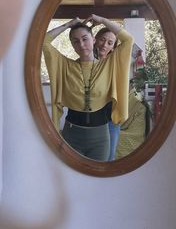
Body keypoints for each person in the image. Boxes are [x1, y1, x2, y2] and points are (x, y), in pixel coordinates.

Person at [43, 14, 134, 161]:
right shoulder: (65, 65)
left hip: (100, 137)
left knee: (99, 180)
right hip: (71, 135)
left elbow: (128, 40)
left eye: (85, 39)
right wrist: (69, 24)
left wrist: (103, 20)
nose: (81, 44)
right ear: (72, 45)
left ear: (94, 40)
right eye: (76, 41)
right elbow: (44, 42)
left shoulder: (108, 64)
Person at [94, 27, 121, 161]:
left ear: (113, 47)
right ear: (95, 40)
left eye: (110, 43)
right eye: (102, 40)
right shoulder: (84, 62)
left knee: (109, 160)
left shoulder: (115, 64)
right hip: (90, 120)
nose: (105, 45)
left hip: (110, 119)